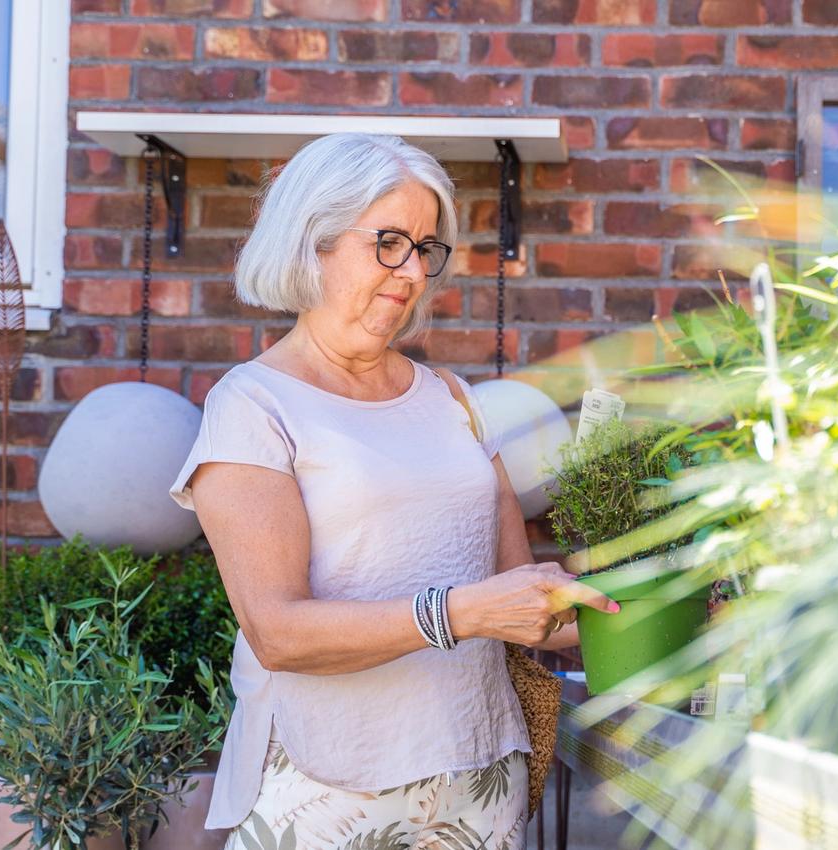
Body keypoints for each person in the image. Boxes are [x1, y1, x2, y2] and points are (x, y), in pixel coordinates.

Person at [169, 132, 616, 850]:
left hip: (480, 773)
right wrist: (460, 613)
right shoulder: (253, 406)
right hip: (330, 782)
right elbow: (277, 632)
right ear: (313, 242)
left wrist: (678, 603)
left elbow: (520, 597)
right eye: (389, 243)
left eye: (426, 248)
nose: (412, 270)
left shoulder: (451, 398)